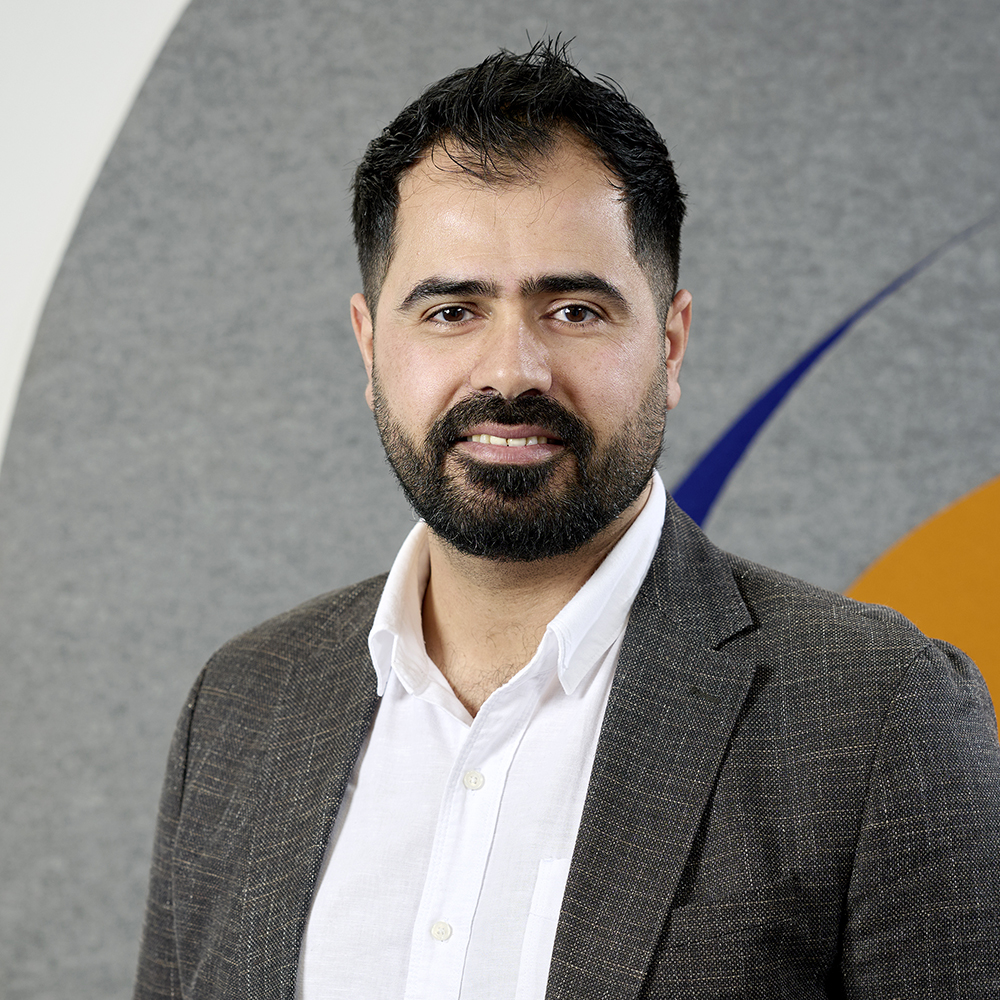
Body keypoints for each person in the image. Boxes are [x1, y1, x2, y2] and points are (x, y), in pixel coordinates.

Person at [133, 41, 1000, 1000]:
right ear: (370, 345)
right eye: (452, 310)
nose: (512, 373)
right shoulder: (241, 707)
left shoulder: (877, 712)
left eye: (575, 310)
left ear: (669, 344)